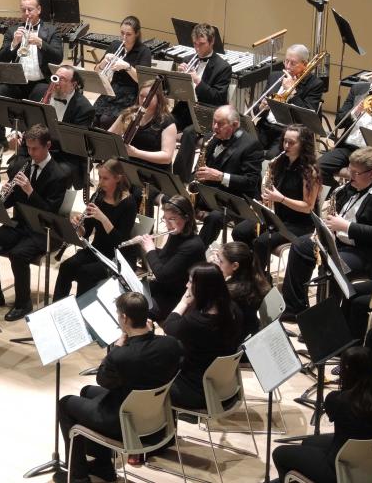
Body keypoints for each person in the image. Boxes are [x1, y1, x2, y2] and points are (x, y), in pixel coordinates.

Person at [56, 292, 183, 483]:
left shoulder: (122, 356)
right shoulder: (171, 344)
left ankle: (78, 477)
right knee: (86, 391)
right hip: (157, 418)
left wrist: (117, 347)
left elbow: (103, 380)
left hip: (125, 424)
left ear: (124, 318)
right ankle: (102, 466)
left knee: (65, 403)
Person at [281, 147, 372, 341]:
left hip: (365, 253)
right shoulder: (351, 186)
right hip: (338, 241)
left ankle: (324, 326)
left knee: (331, 266)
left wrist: (346, 226)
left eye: (355, 173)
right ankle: (295, 309)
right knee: (300, 246)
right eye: (349, 170)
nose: (349, 177)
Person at [0, 124, 69, 321]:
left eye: (35, 149)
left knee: (18, 255)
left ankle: (23, 304)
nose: (30, 153)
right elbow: (11, 201)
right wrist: (3, 195)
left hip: (45, 231)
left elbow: (50, 212)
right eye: (28, 148)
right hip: (19, 225)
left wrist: (30, 191)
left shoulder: (59, 175)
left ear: (48, 146)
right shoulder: (20, 165)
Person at [272, 346, 372, 483]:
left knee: (279, 453)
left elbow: (334, 413)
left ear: (347, 370)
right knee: (309, 441)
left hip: (339, 468)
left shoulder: (337, 400)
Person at [232, 124, 321, 270]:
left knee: (261, 242)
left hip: (300, 224)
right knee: (239, 231)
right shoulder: (279, 162)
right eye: (285, 141)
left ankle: (257, 280)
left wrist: (281, 199)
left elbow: (308, 208)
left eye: (292, 143)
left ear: (303, 144)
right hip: (278, 216)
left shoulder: (310, 171)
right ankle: (246, 270)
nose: (286, 145)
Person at [52, 159, 136, 301]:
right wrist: (79, 228)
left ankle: (82, 313)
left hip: (117, 256)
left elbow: (120, 241)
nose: (100, 182)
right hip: (97, 249)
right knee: (67, 266)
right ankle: (58, 308)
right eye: (99, 177)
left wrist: (103, 219)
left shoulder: (129, 203)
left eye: (105, 178)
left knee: (85, 273)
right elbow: (87, 232)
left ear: (118, 179)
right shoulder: (98, 197)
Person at [163, 263, 243, 410]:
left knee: (149, 379)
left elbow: (168, 327)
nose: (187, 285)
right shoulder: (233, 309)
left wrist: (183, 302)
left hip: (199, 392)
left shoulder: (196, 322)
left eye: (190, 282)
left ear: (201, 288)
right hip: (224, 387)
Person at [190, 105, 264, 247]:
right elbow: (198, 169)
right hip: (212, 193)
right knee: (177, 202)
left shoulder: (251, 145)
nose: (215, 127)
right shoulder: (210, 139)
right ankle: (180, 246)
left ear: (235, 125)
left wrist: (221, 176)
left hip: (235, 199)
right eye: (214, 122)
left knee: (215, 217)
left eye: (220, 124)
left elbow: (251, 181)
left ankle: (196, 252)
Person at [171, 23, 233, 180]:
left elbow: (218, 98)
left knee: (189, 133)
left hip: (207, 113)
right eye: (195, 44)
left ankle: (180, 178)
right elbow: (177, 92)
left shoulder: (223, 67)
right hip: (186, 109)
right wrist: (179, 79)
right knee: (162, 121)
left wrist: (198, 81)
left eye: (201, 44)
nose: (197, 48)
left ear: (211, 42)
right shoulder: (188, 59)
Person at [109, 78, 177, 214]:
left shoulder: (167, 122)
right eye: (141, 96)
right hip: (130, 167)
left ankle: (143, 231)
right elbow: (110, 135)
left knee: (139, 194)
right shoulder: (129, 113)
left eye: (148, 97)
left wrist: (137, 153)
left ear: (159, 99)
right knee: (110, 183)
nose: (143, 100)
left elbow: (167, 157)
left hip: (154, 174)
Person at [135, 195, 206, 321]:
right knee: (128, 294)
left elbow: (162, 275)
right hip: (165, 287)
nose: (168, 225)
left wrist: (150, 250)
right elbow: (165, 257)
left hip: (177, 298)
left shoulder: (193, 246)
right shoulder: (177, 233)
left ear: (187, 218)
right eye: (165, 219)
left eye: (172, 219)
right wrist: (144, 246)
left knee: (136, 309)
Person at [319, 58, 372, 189]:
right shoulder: (358, 89)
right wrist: (356, 111)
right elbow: (339, 121)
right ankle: (337, 196)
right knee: (317, 168)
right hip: (348, 147)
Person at [253, 44, 325, 158]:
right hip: (265, 127)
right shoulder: (275, 76)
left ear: (305, 64)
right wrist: (262, 107)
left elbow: (308, 117)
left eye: (293, 63)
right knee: (243, 147)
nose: (287, 66)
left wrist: (292, 92)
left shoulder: (315, 84)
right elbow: (256, 110)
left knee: (272, 157)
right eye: (286, 61)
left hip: (289, 133)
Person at [0, 0, 63, 100]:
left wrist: (40, 43)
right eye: (23, 10)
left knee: (39, 96)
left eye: (30, 9)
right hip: (16, 82)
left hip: (40, 82)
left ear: (39, 10)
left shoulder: (52, 31)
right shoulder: (12, 31)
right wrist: (14, 43)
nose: (26, 13)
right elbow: (1, 59)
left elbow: (58, 58)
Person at [92, 15, 153, 129]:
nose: (124, 37)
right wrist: (103, 62)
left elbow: (144, 81)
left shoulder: (144, 51)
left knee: (106, 120)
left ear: (137, 34)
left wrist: (127, 67)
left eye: (128, 34)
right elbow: (96, 71)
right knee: (92, 115)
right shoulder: (115, 45)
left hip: (131, 94)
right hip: (112, 90)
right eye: (122, 33)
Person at [213, 241, 271, 339]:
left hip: (233, 339)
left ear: (235, 266)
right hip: (249, 330)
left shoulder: (230, 292)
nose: (218, 263)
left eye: (221, 261)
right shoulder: (255, 280)